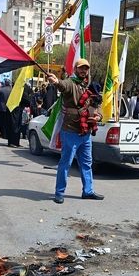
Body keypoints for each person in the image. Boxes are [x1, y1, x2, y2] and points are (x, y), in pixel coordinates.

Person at [46, 58, 104, 204]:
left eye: (86, 68)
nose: (83, 71)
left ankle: (88, 191)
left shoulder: (89, 86)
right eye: (81, 68)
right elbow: (62, 85)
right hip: (70, 131)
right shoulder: (70, 83)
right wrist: (56, 81)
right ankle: (59, 193)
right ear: (75, 69)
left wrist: (98, 115)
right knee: (65, 163)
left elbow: (95, 105)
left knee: (86, 163)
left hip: (85, 133)